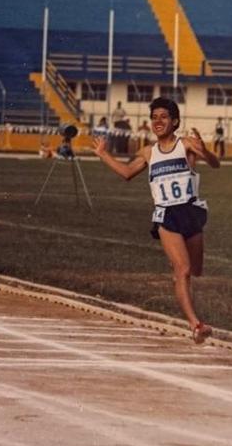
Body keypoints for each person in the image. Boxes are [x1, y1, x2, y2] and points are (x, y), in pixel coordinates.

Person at [91, 97, 221, 344]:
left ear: (175, 121)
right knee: (182, 270)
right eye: (154, 117)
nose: (158, 122)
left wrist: (205, 151)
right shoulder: (148, 152)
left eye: (163, 117)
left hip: (191, 212)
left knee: (195, 270)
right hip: (166, 216)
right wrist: (103, 154)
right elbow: (127, 173)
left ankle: (182, 280)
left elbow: (215, 165)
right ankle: (196, 325)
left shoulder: (186, 145)